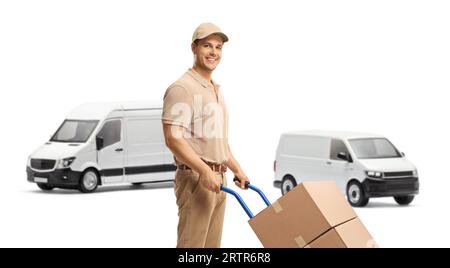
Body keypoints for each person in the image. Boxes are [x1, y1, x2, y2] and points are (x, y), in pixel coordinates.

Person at [162, 23, 249, 248]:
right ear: (194, 48)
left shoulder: (214, 89)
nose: (214, 52)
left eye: (218, 47)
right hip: (196, 179)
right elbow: (173, 139)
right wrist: (204, 171)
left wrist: (237, 169)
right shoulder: (183, 88)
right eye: (207, 46)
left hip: (218, 180)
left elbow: (219, 142)